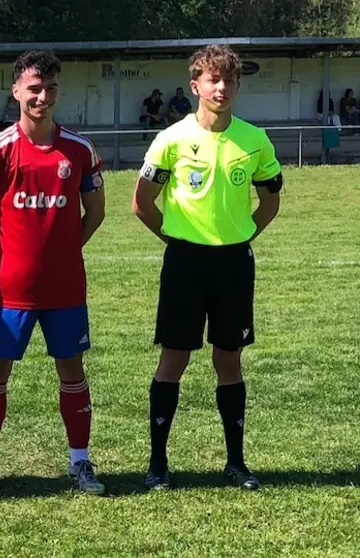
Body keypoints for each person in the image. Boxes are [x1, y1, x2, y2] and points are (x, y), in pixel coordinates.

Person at [132, 44, 282, 492]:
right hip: (185, 262)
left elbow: (270, 201)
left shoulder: (254, 140)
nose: (222, 88)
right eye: (213, 79)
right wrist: (178, 241)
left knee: (228, 359)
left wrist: (242, 236)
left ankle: (235, 463)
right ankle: (158, 463)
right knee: (173, 358)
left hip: (233, 262)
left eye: (229, 80)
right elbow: (141, 203)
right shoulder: (172, 139)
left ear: (237, 85)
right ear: (195, 84)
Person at [0, 50, 106, 497]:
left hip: (65, 288)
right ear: (16, 91)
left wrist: (64, 250)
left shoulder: (79, 150)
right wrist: (7, 255)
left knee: (72, 370)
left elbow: (96, 211)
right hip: (10, 289)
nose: (41, 97)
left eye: (49, 89)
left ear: (57, 92)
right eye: (33, 89)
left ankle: (79, 461)